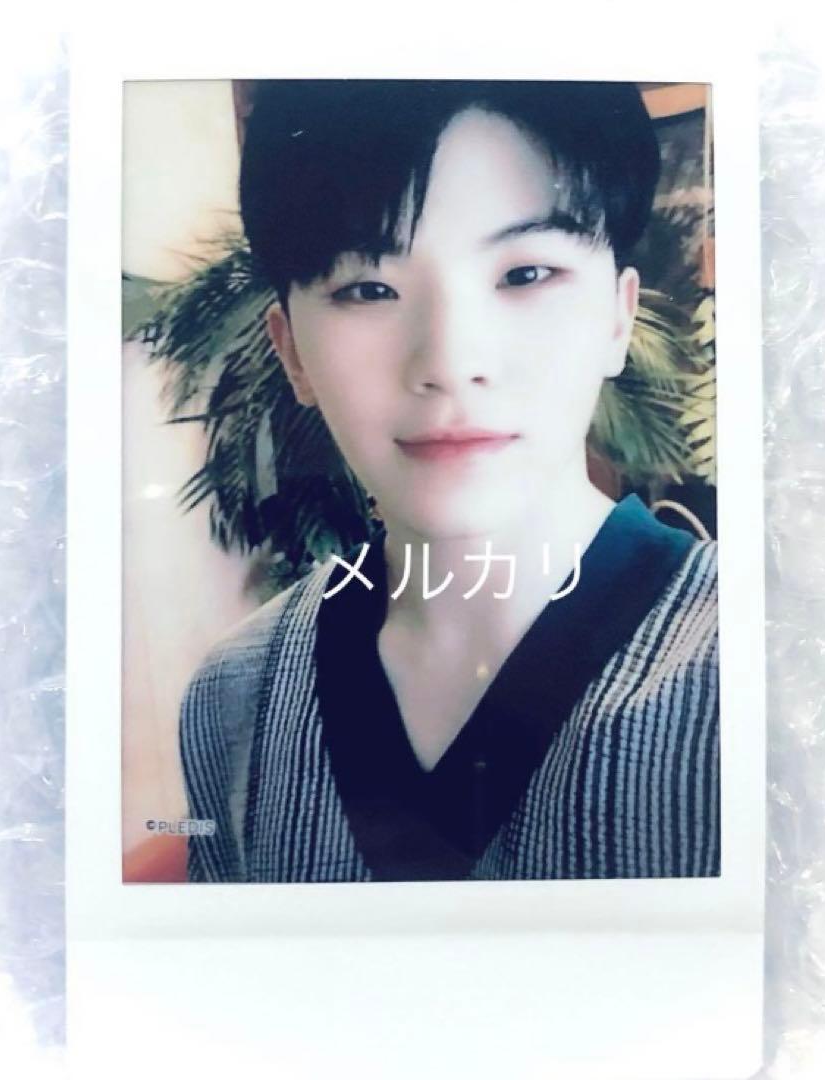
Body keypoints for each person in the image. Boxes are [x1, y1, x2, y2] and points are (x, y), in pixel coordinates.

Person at [179, 79, 719, 883]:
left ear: (619, 316)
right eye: (368, 289)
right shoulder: (232, 695)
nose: (450, 361)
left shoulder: (769, 675)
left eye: (526, 274)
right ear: (291, 352)